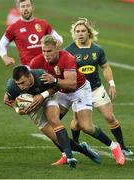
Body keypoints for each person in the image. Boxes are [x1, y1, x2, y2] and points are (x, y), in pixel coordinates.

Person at [29, 34, 125, 165]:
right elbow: (32, 83)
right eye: (44, 51)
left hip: (80, 90)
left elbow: (72, 84)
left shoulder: (67, 58)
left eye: (49, 51)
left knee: (86, 127)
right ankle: (65, 154)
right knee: (52, 124)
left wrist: (55, 80)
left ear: (57, 48)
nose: (46, 54)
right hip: (61, 92)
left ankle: (114, 147)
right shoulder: (36, 62)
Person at [4, 65, 102, 168]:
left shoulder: (41, 75)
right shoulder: (12, 86)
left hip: (48, 98)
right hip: (33, 109)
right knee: (56, 138)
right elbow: (7, 100)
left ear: (30, 76)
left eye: (23, 82)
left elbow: (57, 87)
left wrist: (42, 95)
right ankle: (83, 149)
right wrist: (17, 110)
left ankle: (70, 157)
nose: (21, 87)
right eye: (18, 84)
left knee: (54, 120)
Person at [64, 18, 133, 157]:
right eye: (77, 31)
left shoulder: (97, 50)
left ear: (89, 32)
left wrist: (112, 84)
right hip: (79, 91)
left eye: (83, 31)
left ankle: (123, 147)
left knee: (110, 117)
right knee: (76, 124)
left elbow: (105, 67)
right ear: (74, 33)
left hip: (96, 89)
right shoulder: (69, 50)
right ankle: (76, 146)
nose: (80, 34)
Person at [0, 0, 63, 67]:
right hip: (28, 69)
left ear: (33, 7)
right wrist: (4, 56)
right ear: (19, 9)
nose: (25, 9)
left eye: (28, 6)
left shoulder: (43, 23)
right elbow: (2, 44)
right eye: (23, 7)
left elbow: (57, 37)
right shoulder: (13, 28)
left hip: (46, 66)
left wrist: (58, 41)